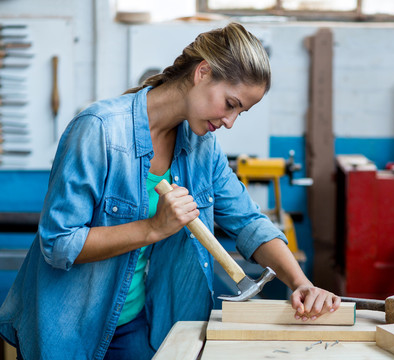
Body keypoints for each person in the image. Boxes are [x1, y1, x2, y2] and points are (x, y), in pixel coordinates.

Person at [0, 22, 340, 359]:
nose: (230, 121)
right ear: (203, 72)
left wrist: (300, 283)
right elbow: (59, 244)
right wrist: (152, 228)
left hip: (139, 323)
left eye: (241, 112)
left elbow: (248, 221)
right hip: (70, 326)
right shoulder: (99, 130)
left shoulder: (202, 148)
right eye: (230, 103)